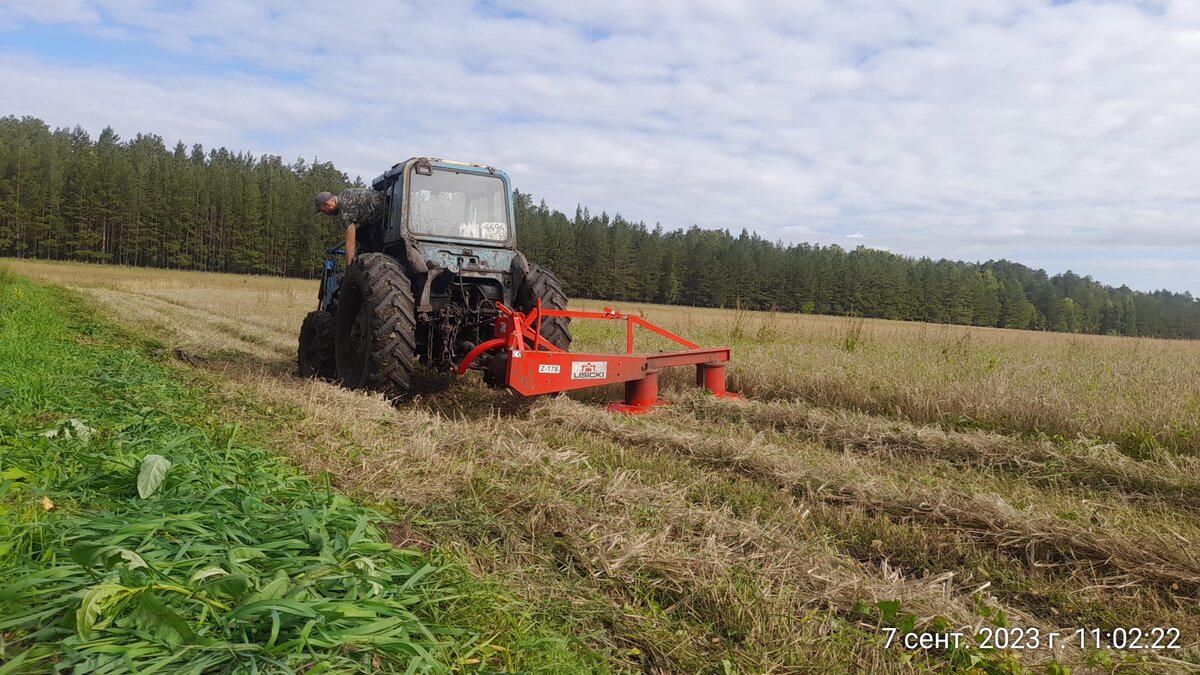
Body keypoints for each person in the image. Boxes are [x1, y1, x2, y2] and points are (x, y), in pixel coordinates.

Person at [314, 188, 386, 267]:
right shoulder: (345, 194)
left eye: (324, 211)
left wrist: (349, 269)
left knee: (359, 236)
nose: (326, 214)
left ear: (328, 205)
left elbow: (350, 243)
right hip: (386, 206)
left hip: (383, 215)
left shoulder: (344, 209)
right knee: (360, 233)